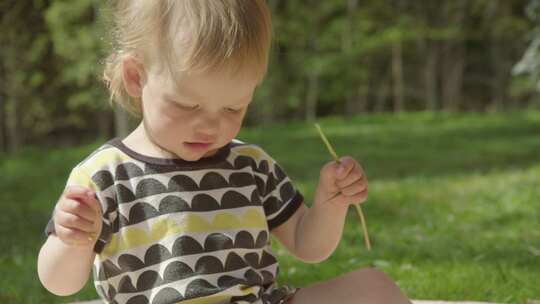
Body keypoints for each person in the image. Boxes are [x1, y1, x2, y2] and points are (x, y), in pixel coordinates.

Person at [37, 1, 412, 303]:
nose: (212, 127)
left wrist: (331, 204)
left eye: (233, 108)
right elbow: (60, 284)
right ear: (137, 77)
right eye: (188, 105)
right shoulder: (106, 175)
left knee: (373, 288)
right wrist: (73, 240)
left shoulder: (251, 165)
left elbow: (307, 245)